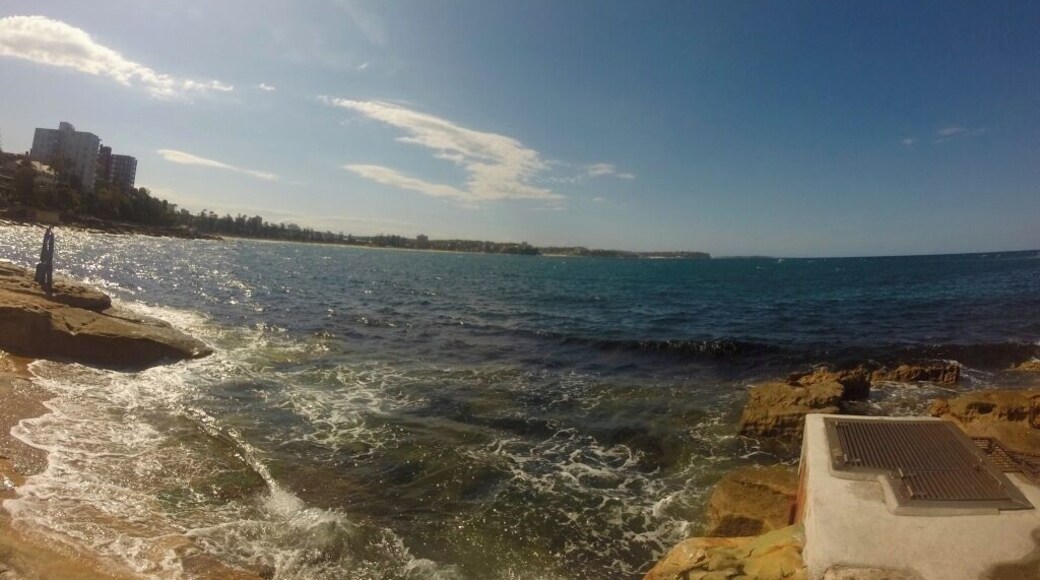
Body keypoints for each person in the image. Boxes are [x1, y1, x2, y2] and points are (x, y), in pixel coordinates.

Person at [33, 227, 54, 292]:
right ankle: (45, 283)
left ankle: (44, 282)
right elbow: (48, 245)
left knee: (45, 268)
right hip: (46, 259)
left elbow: (47, 245)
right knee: (46, 268)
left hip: (46, 259)